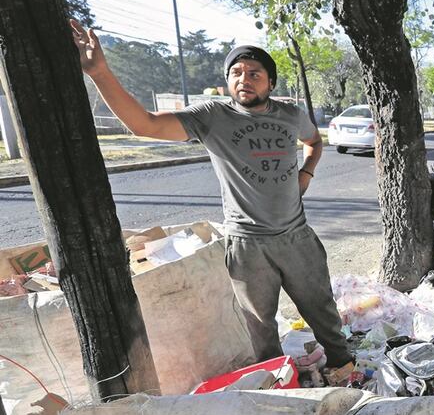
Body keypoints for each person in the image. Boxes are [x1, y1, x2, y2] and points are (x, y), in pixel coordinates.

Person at [70, 20, 355, 385]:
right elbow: (145, 125)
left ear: (270, 82)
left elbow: (315, 141)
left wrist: (306, 173)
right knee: (260, 327)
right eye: (236, 72)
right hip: (247, 245)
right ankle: (282, 385)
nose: (244, 79)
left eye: (255, 73)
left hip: (296, 237)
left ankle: (345, 367)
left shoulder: (289, 115)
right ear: (227, 81)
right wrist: (100, 73)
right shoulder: (212, 117)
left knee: (323, 312)